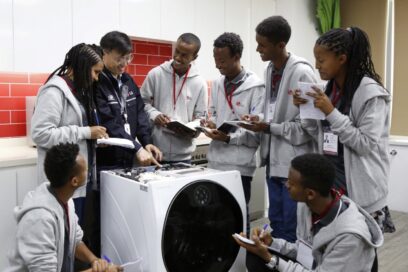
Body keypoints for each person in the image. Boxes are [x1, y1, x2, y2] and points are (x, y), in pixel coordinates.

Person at [293, 27, 395, 233]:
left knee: (362, 253)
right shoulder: (328, 91)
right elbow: (317, 134)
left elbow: (365, 144)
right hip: (333, 186)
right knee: (333, 248)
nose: (316, 66)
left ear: (341, 58)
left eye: (321, 60)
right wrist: (305, 109)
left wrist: (330, 112)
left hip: (361, 190)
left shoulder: (370, 94)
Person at [240, 16, 318, 242]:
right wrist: (259, 118)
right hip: (273, 162)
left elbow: (308, 128)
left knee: (293, 227)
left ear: (281, 45)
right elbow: (274, 110)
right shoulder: (269, 70)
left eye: (262, 45)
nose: (257, 49)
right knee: (276, 222)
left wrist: (268, 127)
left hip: (293, 163)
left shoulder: (303, 73)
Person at [234, 153, 383, 272]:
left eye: (291, 183)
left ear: (310, 193)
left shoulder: (350, 237)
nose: (286, 185)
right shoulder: (308, 205)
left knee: (264, 259)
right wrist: (273, 243)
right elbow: (304, 249)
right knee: (254, 255)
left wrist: (270, 258)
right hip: (314, 265)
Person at [6, 143, 122, 272]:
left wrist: (94, 260)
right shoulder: (39, 219)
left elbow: (75, 241)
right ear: (74, 181)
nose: (88, 170)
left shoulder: (65, 199)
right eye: (85, 169)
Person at [31, 43, 108, 226]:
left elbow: (75, 132)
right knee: (62, 238)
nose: (97, 79)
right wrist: (86, 132)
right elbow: (41, 134)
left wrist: (93, 140)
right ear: (81, 67)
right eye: (95, 72)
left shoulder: (77, 91)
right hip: (62, 181)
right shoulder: (54, 91)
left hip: (77, 179)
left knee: (74, 235)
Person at [202, 32, 264, 233]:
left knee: (236, 217)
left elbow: (256, 133)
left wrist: (229, 138)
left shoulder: (256, 87)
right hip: (215, 162)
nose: (217, 65)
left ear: (236, 57)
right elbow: (212, 111)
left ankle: (242, 260)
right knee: (213, 218)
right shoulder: (218, 83)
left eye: (222, 61)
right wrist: (210, 121)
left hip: (239, 166)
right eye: (215, 59)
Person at [96, 30, 162, 170]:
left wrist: (146, 142)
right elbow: (109, 123)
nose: (124, 64)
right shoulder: (97, 83)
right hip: (107, 158)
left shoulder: (128, 81)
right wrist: (137, 148)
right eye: (119, 58)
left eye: (127, 58)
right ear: (104, 53)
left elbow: (140, 113)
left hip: (129, 156)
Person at [141, 33, 208, 163]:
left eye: (184, 55)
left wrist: (192, 129)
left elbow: (202, 117)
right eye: (177, 51)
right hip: (156, 152)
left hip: (184, 156)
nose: (177, 57)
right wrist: (155, 115)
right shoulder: (156, 74)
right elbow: (142, 104)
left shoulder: (199, 83)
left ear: (194, 57)